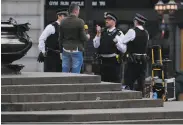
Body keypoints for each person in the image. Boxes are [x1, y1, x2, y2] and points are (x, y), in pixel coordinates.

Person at [93, 12, 126, 83]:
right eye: (106, 19)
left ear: (114, 21)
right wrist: (98, 34)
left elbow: (124, 49)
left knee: (114, 83)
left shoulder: (119, 33)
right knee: (102, 83)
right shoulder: (102, 31)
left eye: (109, 19)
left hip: (113, 62)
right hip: (102, 62)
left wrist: (117, 42)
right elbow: (96, 45)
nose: (106, 21)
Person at [122, 13, 149, 96]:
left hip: (133, 61)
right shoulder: (146, 33)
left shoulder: (132, 31)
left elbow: (123, 40)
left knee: (129, 81)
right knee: (141, 82)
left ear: (136, 21)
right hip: (143, 61)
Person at [59, 3, 90, 73]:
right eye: (79, 10)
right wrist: (88, 36)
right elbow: (84, 38)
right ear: (76, 11)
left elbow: (60, 38)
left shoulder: (63, 21)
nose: (79, 12)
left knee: (64, 72)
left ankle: (64, 83)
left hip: (65, 49)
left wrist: (61, 51)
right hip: (76, 49)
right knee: (75, 73)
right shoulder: (80, 22)